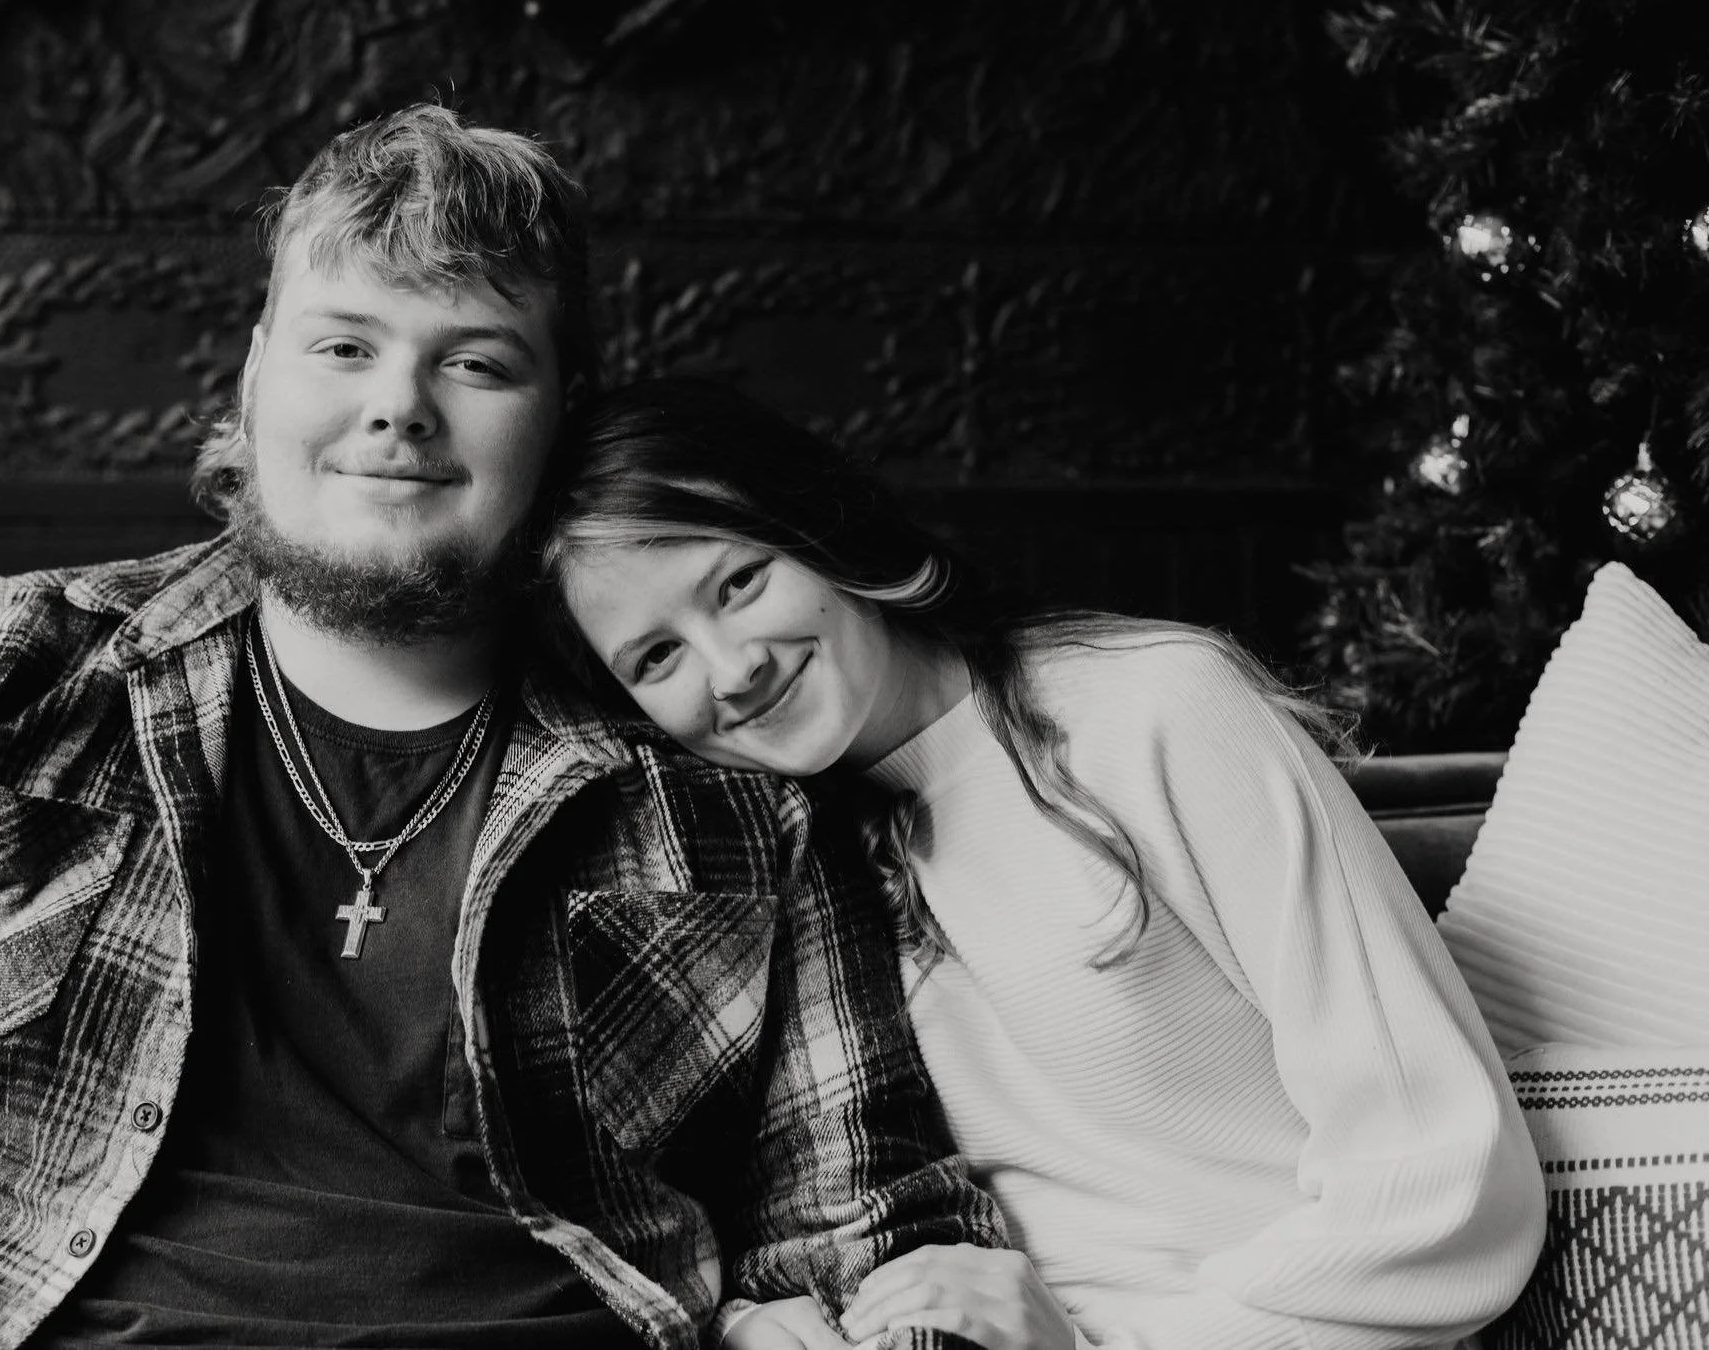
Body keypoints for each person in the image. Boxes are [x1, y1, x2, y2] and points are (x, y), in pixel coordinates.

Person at [0, 109, 1010, 1350]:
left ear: (564, 415)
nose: (398, 407)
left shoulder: (717, 769)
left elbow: (867, 1210)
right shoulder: (14, 676)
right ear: (257, 377)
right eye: (345, 344)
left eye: (475, 360)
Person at [542, 378, 1549, 1350]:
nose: (732, 668)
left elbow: (1447, 1184)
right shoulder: (777, 860)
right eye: (656, 658)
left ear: (818, 527)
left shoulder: (1154, 713)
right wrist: (745, 1321)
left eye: (739, 581)